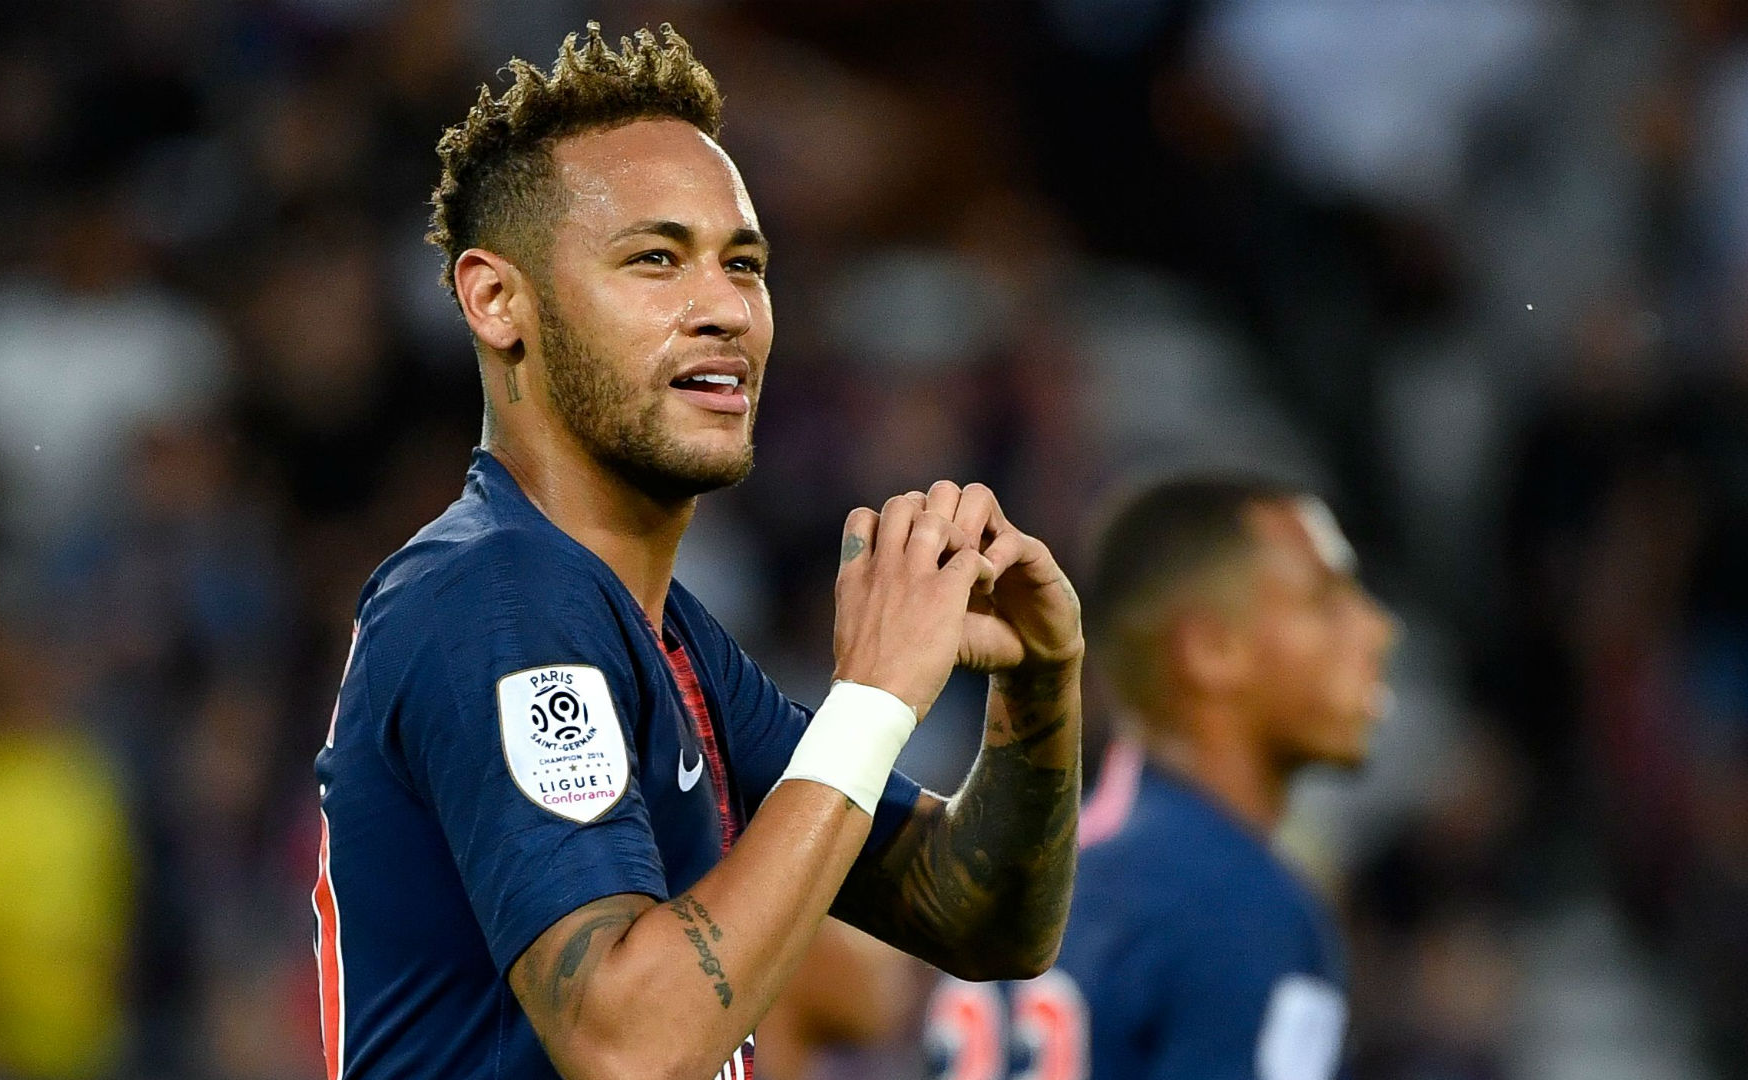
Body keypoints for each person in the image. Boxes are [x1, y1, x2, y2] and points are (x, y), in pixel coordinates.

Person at [312, 24, 1084, 1080]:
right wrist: (873, 698)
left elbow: (982, 917)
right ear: (497, 301)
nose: (724, 308)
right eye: (655, 259)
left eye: (744, 265)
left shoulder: (666, 641)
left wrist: (1038, 687)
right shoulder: (493, 596)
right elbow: (630, 1044)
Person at [925, 475, 1396, 1080]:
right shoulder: (1238, 904)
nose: (1377, 629)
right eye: (1324, 602)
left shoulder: (1023, 877)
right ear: (1211, 649)